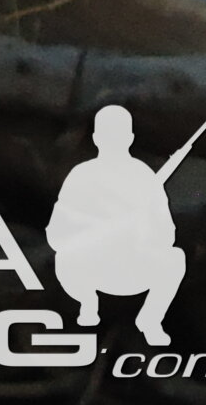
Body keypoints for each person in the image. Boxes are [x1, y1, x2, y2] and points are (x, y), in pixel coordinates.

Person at [46, 103, 184, 346]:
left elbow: (166, 232)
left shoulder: (144, 176)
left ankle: (150, 319)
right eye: (108, 134)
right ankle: (88, 305)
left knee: (175, 258)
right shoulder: (82, 175)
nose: (114, 141)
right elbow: (57, 232)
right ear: (97, 138)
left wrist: (141, 231)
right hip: (88, 269)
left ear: (130, 138)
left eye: (119, 135)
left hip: (132, 267)